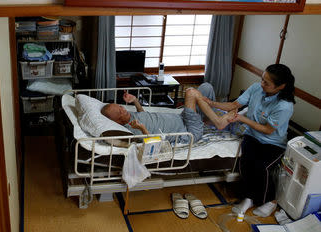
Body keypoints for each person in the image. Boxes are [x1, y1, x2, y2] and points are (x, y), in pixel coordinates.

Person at [202, 64, 295, 217]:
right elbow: (234, 105)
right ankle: (249, 198)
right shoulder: (256, 88)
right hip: (252, 135)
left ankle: (271, 201)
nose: (261, 84)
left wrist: (242, 119)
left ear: (280, 86)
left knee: (261, 167)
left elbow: (268, 130)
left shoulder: (285, 106)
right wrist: (211, 103)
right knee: (246, 164)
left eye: (266, 83)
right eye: (262, 79)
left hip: (273, 142)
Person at [101, 83, 237, 144]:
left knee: (206, 87)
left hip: (182, 118)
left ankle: (208, 120)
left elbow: (143, 116)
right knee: (191, 93)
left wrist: (135, 101)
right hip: (188, 132)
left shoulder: (130, 116)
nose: (123, 108)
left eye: (120, 106)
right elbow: (152, 143)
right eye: (120, 111)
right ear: (118, 121)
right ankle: (217, 121)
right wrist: (141, 129)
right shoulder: (131, 131)